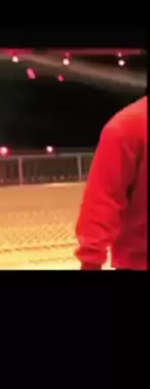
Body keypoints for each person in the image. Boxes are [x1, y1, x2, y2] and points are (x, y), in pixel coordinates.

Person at [75, 96, 147, 271]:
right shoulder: (129, 127)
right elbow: (104, 198)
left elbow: (104, 197)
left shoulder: (128, 125)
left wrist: (91, 259)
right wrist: (91, 258)